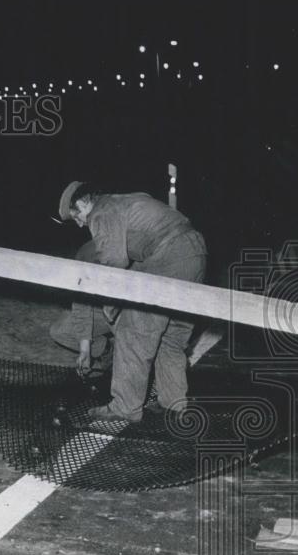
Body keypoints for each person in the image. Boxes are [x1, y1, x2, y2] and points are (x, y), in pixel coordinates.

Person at [58, 181, 207, 422]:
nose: (79, 223)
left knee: (133, 330)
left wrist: (112, 310)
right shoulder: (127, 199)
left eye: (76, 216)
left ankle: (125, 407)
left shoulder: (102, 211)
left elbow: (113, 263)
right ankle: (173, 402)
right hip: (195, 253)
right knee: (170, 335)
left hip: (168, 254)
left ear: (85, 202)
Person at [49, 240, 115, 375]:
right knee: (60, 330)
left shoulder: (131, 250)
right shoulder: (86, 252)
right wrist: (85, 350)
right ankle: (108, 350)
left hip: (136, 311)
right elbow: (82, 304)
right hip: (106, 311)